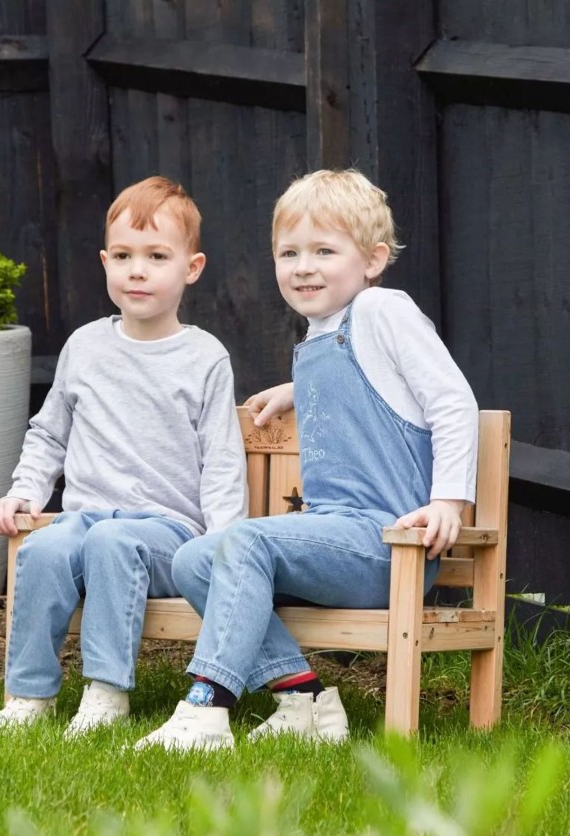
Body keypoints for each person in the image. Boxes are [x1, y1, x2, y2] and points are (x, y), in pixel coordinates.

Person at [134, 169, 478, 751]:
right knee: (195, 560)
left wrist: (449, 499)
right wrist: (296, 389)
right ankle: (305, 702)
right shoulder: (321, 338)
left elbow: (451, 401)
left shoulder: (381, 310)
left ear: (371, 259)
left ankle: (207, 710)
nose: (303, 267)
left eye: (324, 250)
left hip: (388, 543)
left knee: (243, 543)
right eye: (288, 252)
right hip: (332, 536)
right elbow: (366, 382)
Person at [0, 176, 247, 737]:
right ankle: (29, 696)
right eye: (124, 256)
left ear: (192, 267)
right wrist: (25, 492)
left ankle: (106, 693)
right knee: (44, 549)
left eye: (157, 256)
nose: (138, 270)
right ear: (105, 262)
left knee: (114, 542)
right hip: (84, 520)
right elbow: (49, 434)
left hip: (167, 533)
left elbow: (223, 459)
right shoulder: (84, 347)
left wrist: (224, 542)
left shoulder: (204, 357)